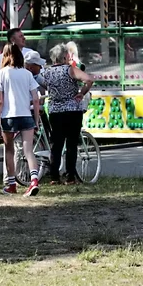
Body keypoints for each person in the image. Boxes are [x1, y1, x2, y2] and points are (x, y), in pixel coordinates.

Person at [0, 42, 42, 197]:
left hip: (8, 116)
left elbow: (0, 101)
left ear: (5, 56)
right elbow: (35, 99)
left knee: (9, 150)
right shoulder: (27, 73)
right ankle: (34, 180)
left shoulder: (2, 73)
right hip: (26, 115)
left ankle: (12, 184)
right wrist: (36, 119)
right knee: (28, 150)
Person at [41, 41, 94, 185]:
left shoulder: (47, 72)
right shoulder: (70, 69)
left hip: (55, 111)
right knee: (71, 144)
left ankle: (54, 177)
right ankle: (70, 177)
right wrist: (82, 93)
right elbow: (89, 79)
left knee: (56, 145)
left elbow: (43, 85)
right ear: (65, 56)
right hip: (72, 110)